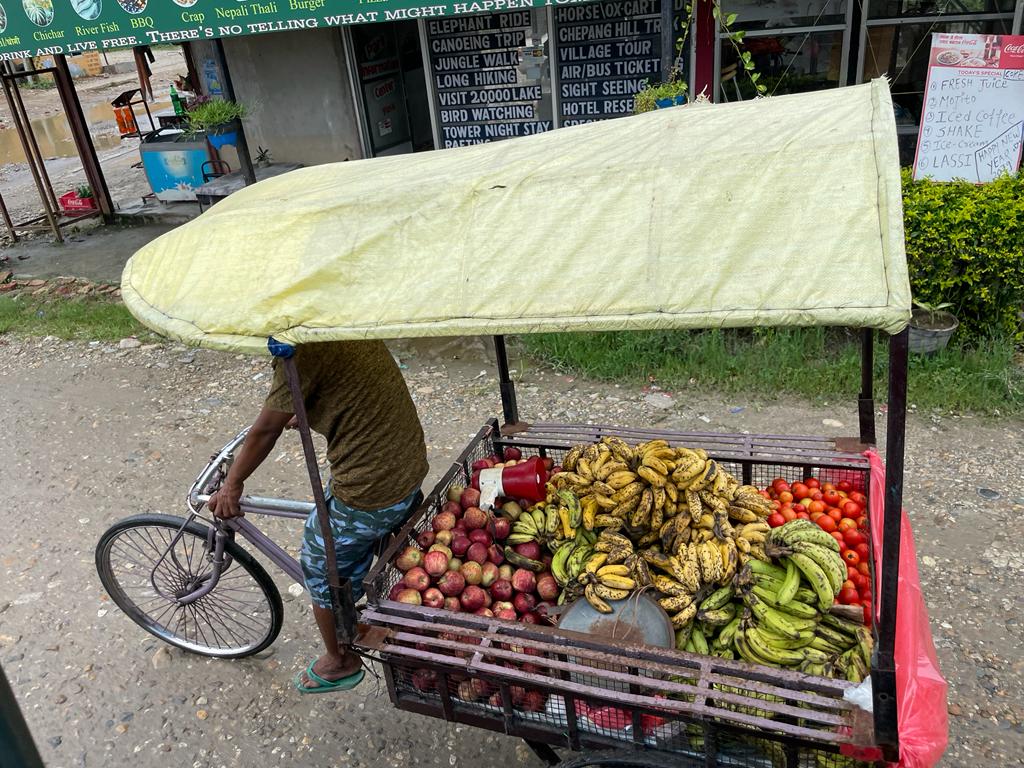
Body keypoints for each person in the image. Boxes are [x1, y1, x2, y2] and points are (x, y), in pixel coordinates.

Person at [208, 341, 427, 693]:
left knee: (319, 561)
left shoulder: (297, 349)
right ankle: (358, 588)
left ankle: (341, 661)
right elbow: (343, 382)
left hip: (375, 488)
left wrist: (233, 483)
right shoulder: (333, 324)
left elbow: (266, 430)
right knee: (340, 529)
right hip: (407, 465)